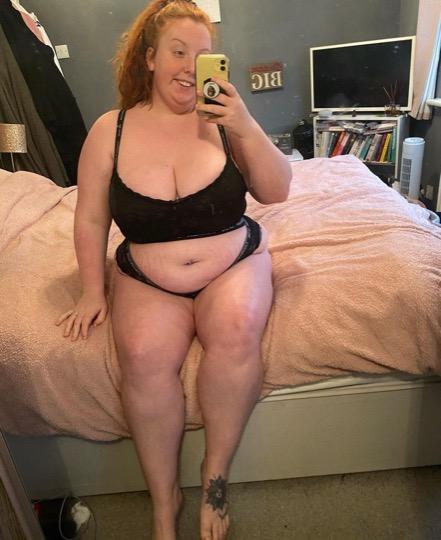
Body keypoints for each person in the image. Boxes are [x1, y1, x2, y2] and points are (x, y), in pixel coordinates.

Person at [56, 0, 292, 538]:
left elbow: (277, 191)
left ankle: (215, 479)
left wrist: (245, 125)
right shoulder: (110, 130)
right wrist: (92, 289)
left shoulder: (227, 120)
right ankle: (164, 503)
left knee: (236, 328)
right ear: (149, 59)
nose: (189, 68)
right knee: (141, 357)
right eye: (178, 53)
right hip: (147, 273)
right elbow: (90, 217)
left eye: (203, 56)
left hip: (233, 260)